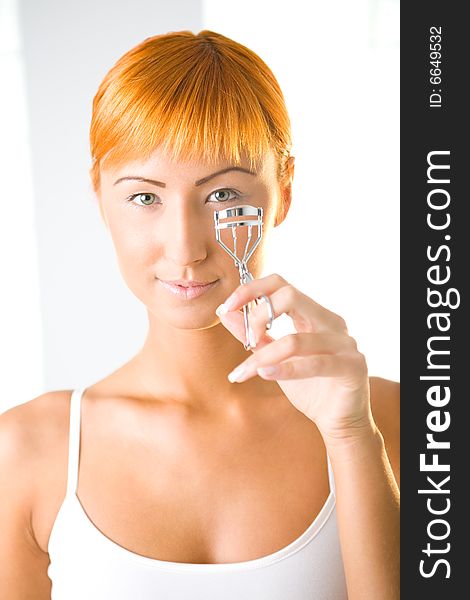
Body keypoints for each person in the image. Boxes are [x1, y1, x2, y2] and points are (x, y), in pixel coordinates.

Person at [0, 30, 399, 599]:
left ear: (283, 191)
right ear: (99, 198)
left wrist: (352, 436)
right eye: (145, 197)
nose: (186, 248)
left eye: (222, 196)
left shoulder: (391, 420)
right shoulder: (26, 451)